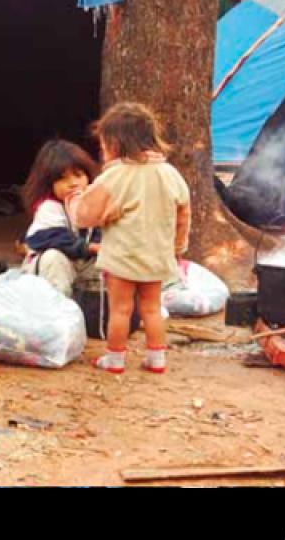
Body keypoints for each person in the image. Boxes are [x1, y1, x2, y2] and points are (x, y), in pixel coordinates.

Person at [67, 103, 191, 375]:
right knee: (152, 309)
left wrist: (74, 199)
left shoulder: (116, 176)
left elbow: (85, 217)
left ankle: (115, 359)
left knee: (121, 310)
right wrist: (177, 247)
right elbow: (184, 211)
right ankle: (157, 358)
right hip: (157, 255)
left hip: (122, 257)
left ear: (114, 142)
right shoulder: (169, 174)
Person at [20, 140, 101, 298]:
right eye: (63, 179)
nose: (73, 183)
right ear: (49, 184)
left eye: (78, 175)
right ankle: (59, 315)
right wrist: (90, 247)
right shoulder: (49, 207)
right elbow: (53, 238)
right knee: (53, 258)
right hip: (52, 275)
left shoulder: (95, 204)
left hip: (83, 269)